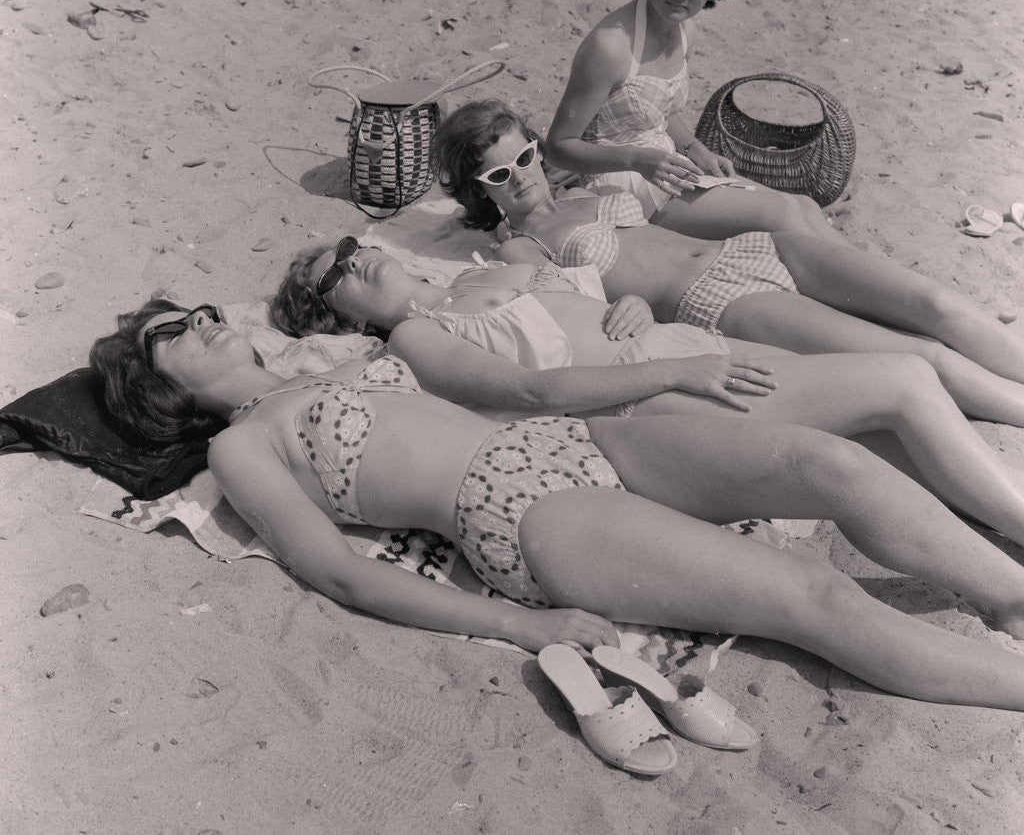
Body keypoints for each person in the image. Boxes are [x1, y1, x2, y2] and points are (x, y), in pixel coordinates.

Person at [88, 297, 1024, 711]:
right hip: (519, 515)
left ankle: (1011, 596)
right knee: (813, 597)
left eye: (200, 310)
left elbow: (519, 383)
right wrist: (517, 625)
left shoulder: (343, 357)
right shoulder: (242, 446)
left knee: (828, 464)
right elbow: (338, 574)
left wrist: (658, 364)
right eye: (175, 332)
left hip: (579, 438)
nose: (203, 321)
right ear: (159, 387)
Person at [271, 239, 1024, 548]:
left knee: (887, 436)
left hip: (683, 349)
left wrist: (631, 305)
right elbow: (533, 390)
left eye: (347, 248)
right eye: (333, 276)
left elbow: (591, 302)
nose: (352, 262)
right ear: (342, 318)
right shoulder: (417, 336)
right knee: (904, 381)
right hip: (651, 395)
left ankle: (1000, 538)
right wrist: (672, 373)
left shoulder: (483, 268)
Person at [435, 99, 1024, 427]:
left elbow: (665, 188)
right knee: (919, 356)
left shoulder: (583, 193)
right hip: (719, 300)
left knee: (934, 305)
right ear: (477, 189)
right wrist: (631, 303)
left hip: (762, 249)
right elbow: (577, 316)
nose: (521, 177)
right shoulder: (518, 249)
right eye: (498, 174)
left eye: (525, 157)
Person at [545, 0, 837, 241]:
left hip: (665, 167)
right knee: (783, 215)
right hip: (621, 181)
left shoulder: (686, 31)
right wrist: (637, 159)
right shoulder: (610, 46)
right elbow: (559, 147)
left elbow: (659, 112)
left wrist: (696, 148)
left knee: (804, 206)